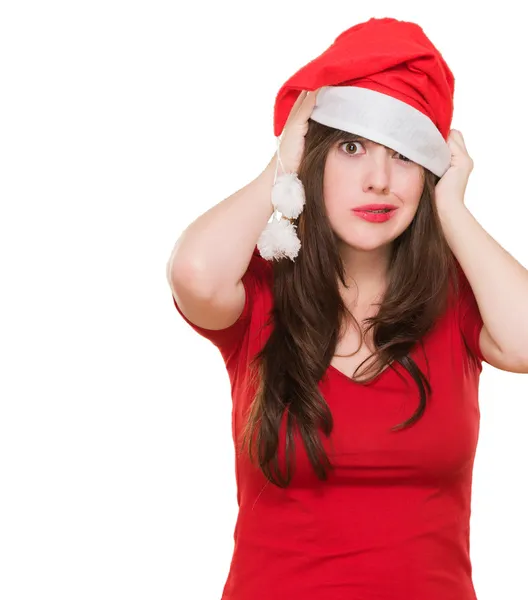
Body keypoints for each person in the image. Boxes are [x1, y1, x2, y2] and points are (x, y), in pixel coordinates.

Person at [166, 17, 486, 600]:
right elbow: (193, 273)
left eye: (405, 156)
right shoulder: (260, 293)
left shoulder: (459, 299)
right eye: (351, 146)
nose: (380, 180)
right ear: (314, 158)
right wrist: (278, 169)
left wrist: (455, 211)